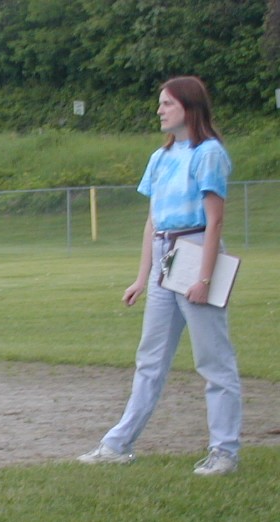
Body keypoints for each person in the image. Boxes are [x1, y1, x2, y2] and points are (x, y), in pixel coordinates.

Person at [77, 76, 242, 476]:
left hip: (196, 251)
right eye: (160, 103)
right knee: (149, 359)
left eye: (167, 103)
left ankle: (224, 451)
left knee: (213, 360)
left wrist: (204, 278)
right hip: (166, 255)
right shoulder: (161, 157)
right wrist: (141, 277)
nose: (160, 110)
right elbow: (153, 223)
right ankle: (118, 444)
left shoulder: (209, 153)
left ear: (189, 106)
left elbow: (215, 220)